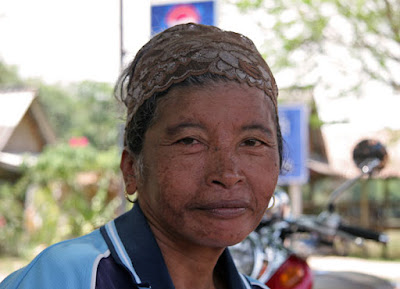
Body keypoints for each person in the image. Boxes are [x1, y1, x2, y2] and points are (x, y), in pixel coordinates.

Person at [0, 23, 282, 289]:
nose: (228, 174)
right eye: (190, 141)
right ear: (132, 169)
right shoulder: (67, 278)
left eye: (252, 142)